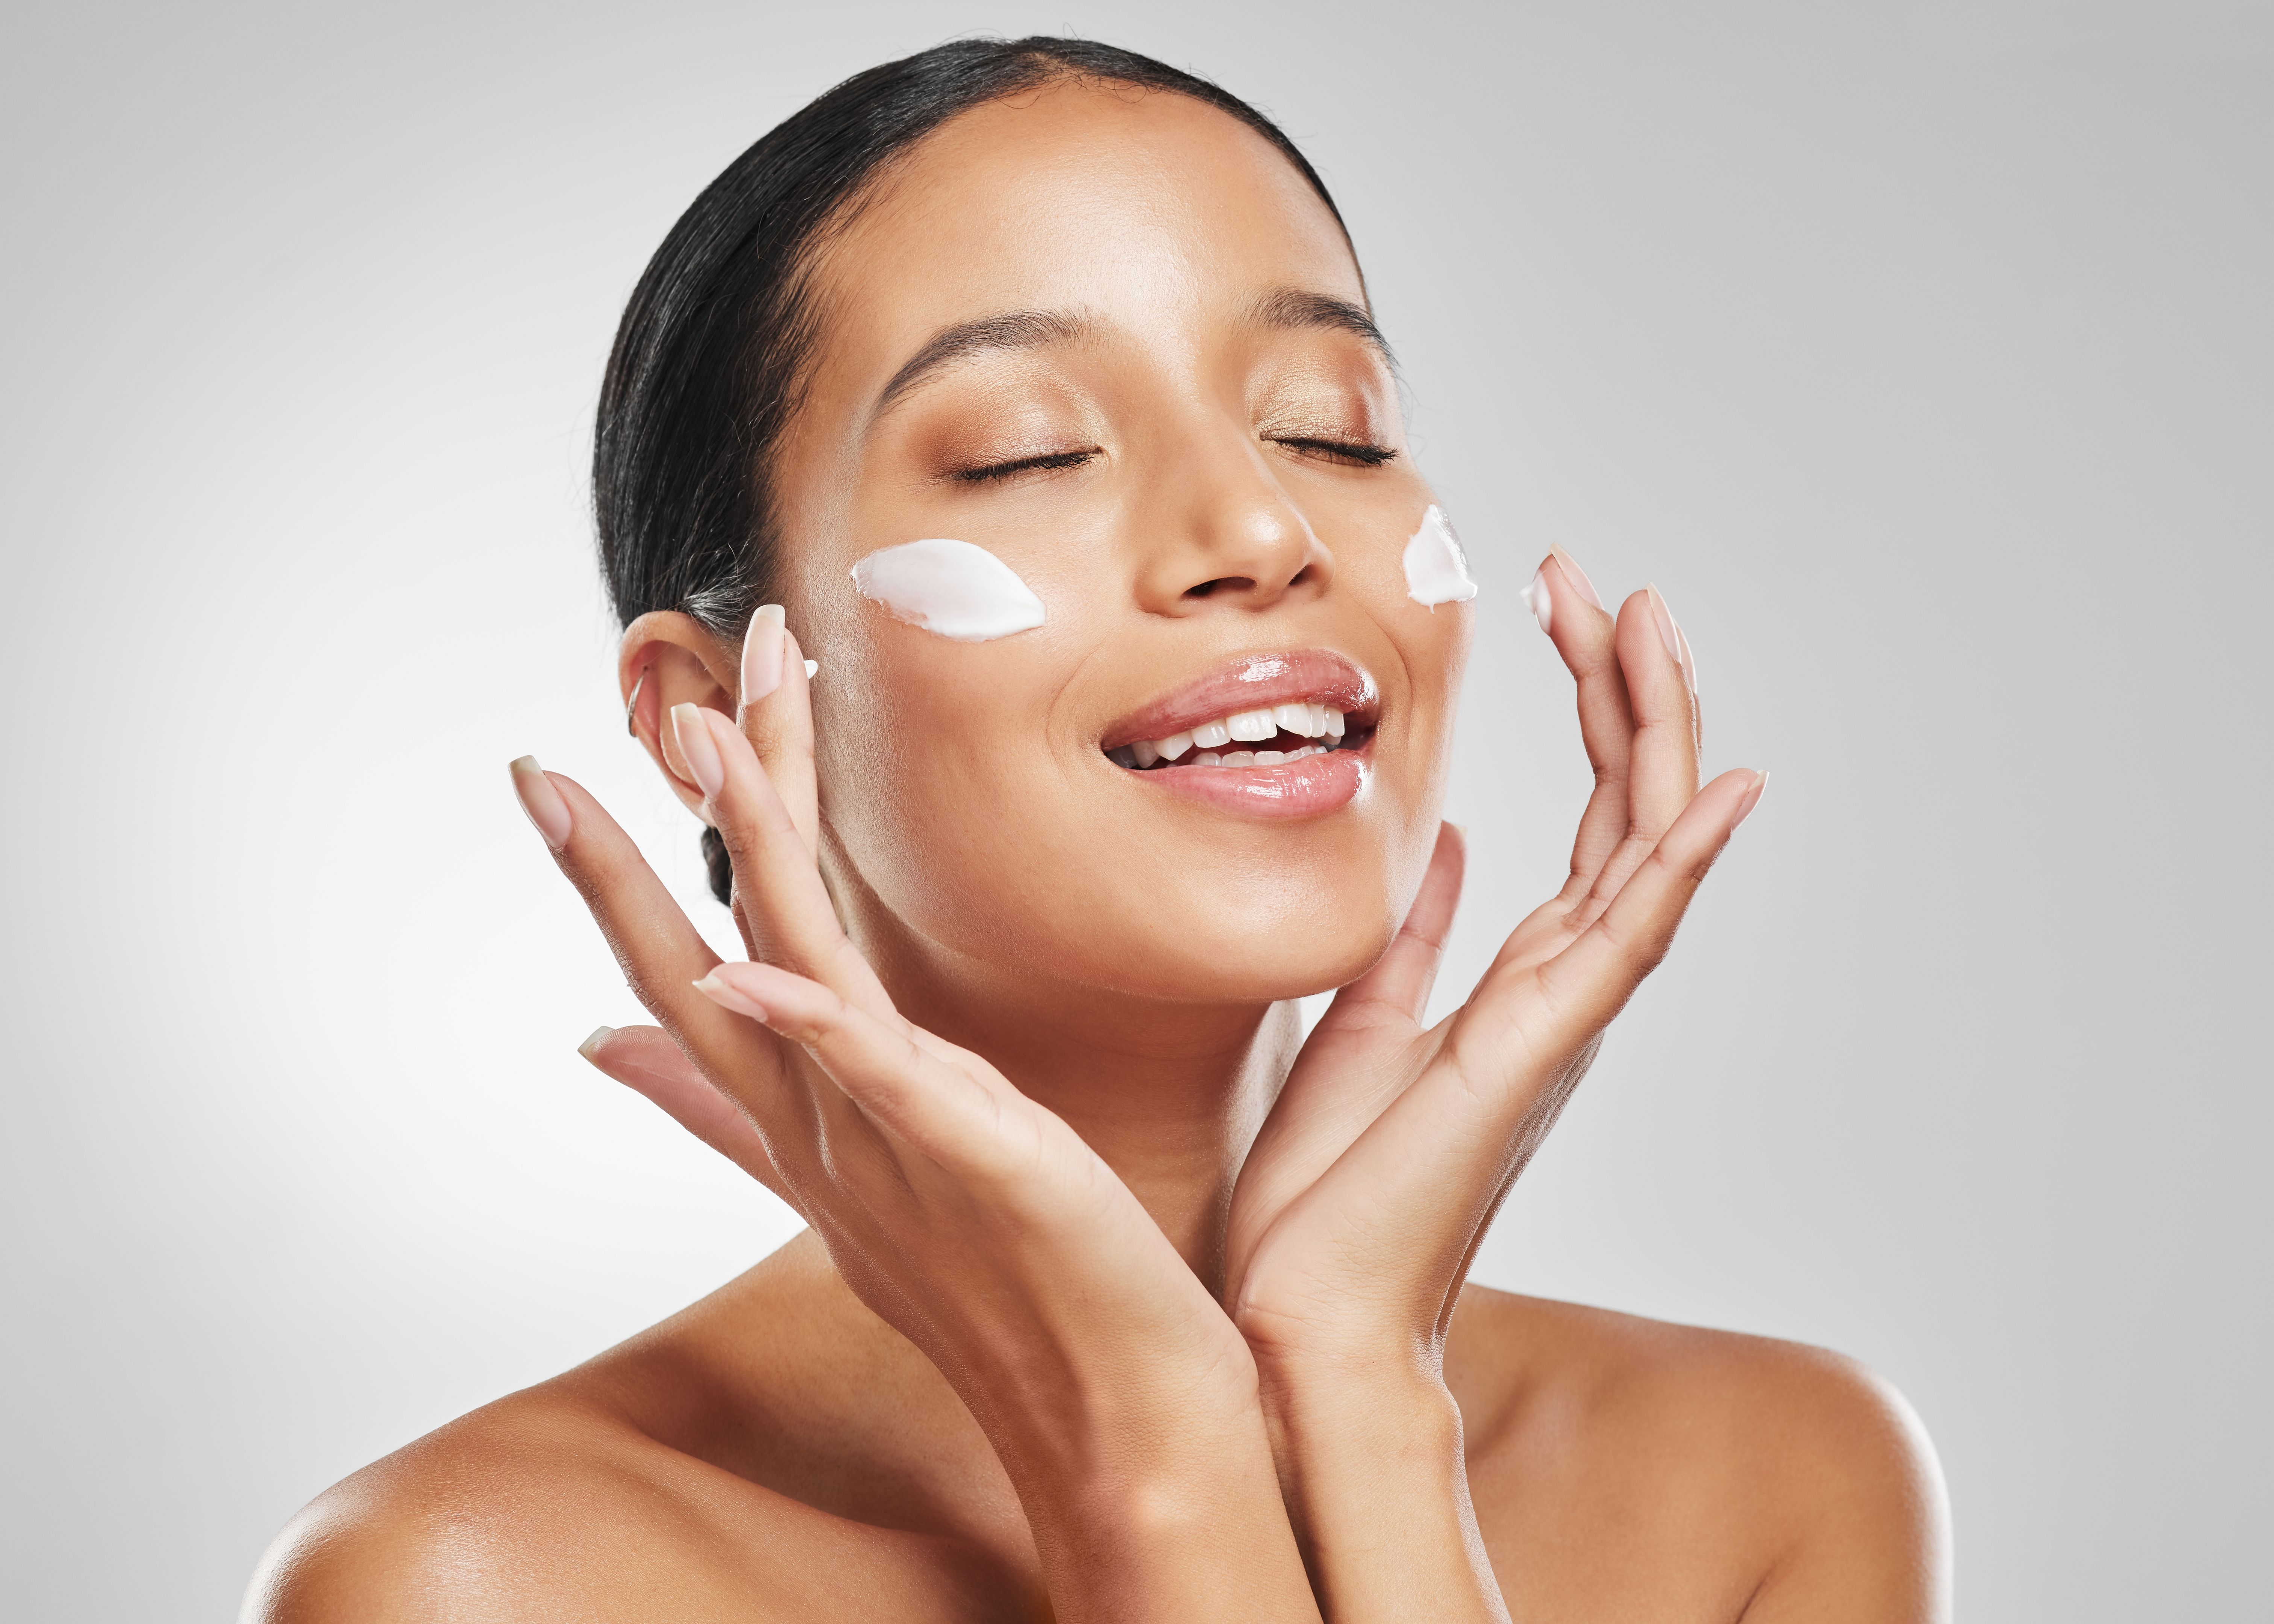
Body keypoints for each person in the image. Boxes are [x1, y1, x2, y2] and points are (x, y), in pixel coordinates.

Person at [246, 36, 1948, 1622]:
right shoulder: (479, 1583)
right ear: (712, 714)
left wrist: (1359, 1393)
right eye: (1026, 453)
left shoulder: (1771, 1480)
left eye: (1328, 425)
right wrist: (1149, 1459)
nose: (1263, 528)